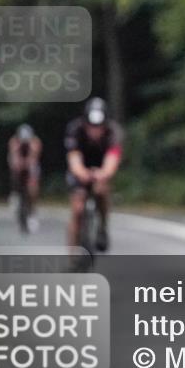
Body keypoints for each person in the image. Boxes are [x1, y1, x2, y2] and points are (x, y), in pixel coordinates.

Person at [65, 97, 124, 252]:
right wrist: (82, 173)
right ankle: (73, 253)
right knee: (77, 209)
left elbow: (112, 159)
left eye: (99, 127)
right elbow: (74, 158)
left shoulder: (114, 132)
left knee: (102, 191)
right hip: (80, 168)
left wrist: (103, 173)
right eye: (91, 126)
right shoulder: (75, 130)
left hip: (101, 168)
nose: (95, 131)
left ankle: (102, 227)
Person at [7, 123, 42, 233]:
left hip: (31, 164)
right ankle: (15, 193)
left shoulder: (36, 142)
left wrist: (27, 164)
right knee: (14, 171)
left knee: (33, 186)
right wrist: (17, 164)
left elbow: (34, 158)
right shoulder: (13, 142)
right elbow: (14, 157)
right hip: (18, 161)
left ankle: (32, 212)